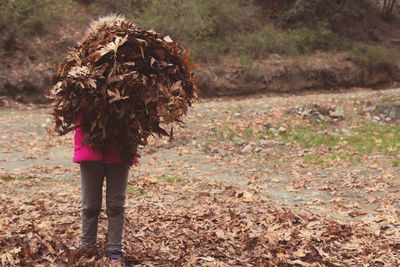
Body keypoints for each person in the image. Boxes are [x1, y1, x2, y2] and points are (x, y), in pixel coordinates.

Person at [74, 110, 138, 263]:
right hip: (89, 146)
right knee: (89, 206)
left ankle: (115, 251)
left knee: (116, 205)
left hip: (120, 148)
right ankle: (87, 248)